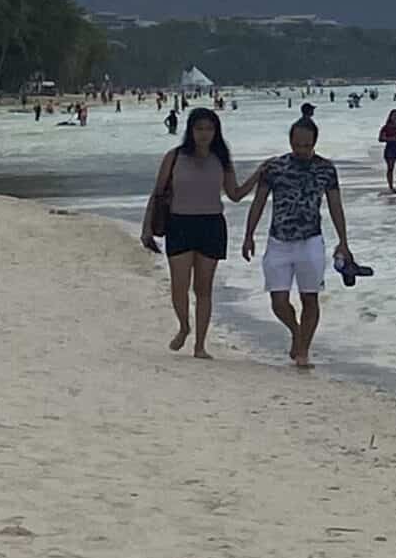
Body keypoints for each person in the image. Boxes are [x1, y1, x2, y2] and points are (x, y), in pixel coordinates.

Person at [240, 117, 353, 370]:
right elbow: (258, 202)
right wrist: (248, 235)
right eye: (297, 144)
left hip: (311, 240)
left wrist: (343, 242)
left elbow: (336, 205)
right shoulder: (274, 168)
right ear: (290, 141)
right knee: (278, 301)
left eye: (307, 145)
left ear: (314, 142)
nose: (302, 150)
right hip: (278, 240)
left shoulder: (326, 169)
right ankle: (296, 330)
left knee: (310, 298)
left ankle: (303, 351)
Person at [141, 107, 250, 358]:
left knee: (203, 289)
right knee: (179, 286)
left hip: (211, 225)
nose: (204, 134)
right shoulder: (175, 156)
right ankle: (184, 326)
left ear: (216, 131)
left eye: (209, 129)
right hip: (179, 224)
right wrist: (147, 229)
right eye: (199, 128)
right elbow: (158, 194)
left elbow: (235, 194)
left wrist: (258, 175)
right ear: (190, 130)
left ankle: (200, 345)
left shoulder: (221, 159)